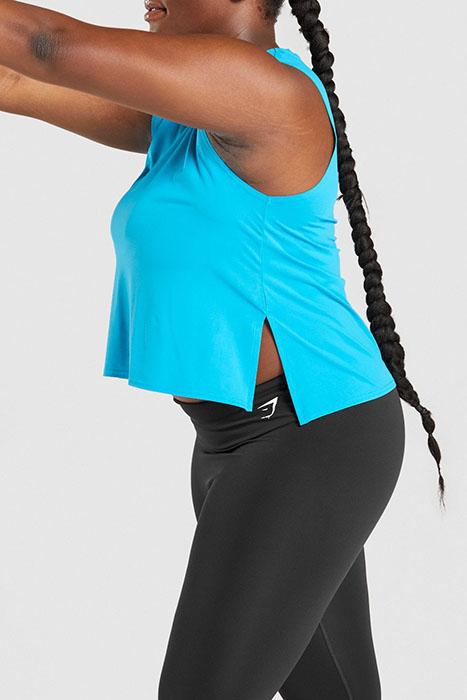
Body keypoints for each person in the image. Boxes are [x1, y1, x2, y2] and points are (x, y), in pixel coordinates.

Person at [0, 1, 445, 697]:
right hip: (237, 441)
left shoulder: (263, 88)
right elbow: (16, 82)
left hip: (309, 439)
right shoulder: (185, 116)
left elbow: (47, 46)